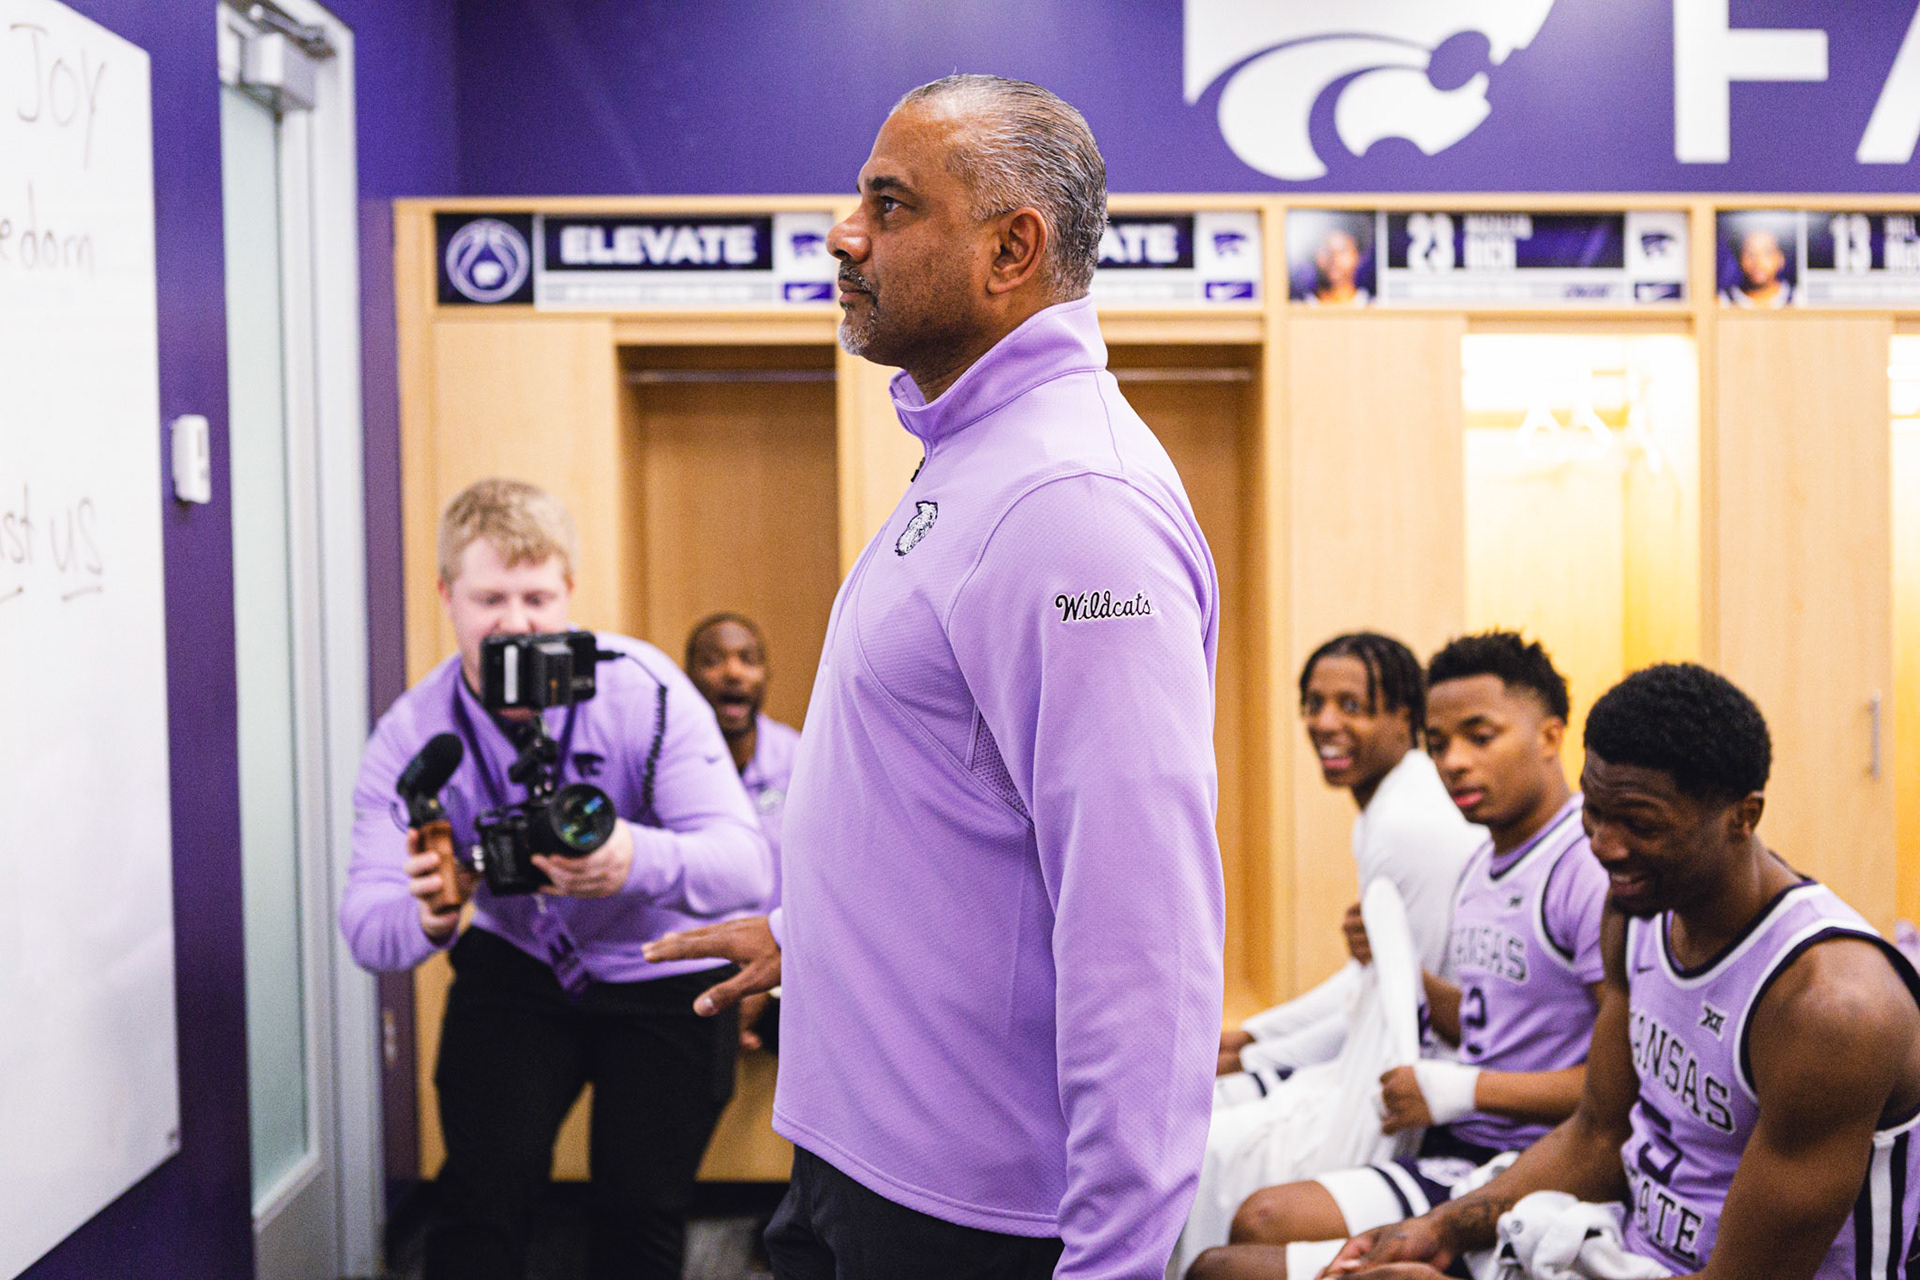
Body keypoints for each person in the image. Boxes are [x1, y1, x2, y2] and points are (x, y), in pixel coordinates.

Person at [644, 74, 1225, 1279]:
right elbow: (956, 793)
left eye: (890, 205)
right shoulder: (972, 453)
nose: (844, 234)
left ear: (1012, 248)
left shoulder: (1073, 504)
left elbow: (1144, 929)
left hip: (972, 1218)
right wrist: (827, 932)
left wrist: (1116, 1260)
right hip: (856, 1158)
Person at [1317, 663, 1920, 1280]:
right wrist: (1440, 1227)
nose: (1603, 846)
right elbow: (1597, 1135)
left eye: (1639, 823)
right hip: (1623, 1248)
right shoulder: (1634, 910)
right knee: (1235, 1267)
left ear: (1745, 815)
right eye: (1595, 812)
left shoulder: (1831, 1009)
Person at [340, 479, 772, 1280]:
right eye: (489, 598)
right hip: (519, 963)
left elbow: (746, 865)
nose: (516, 623)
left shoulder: (641, 690)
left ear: (570, 592)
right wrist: (432, 914)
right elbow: (368, 929)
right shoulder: (414, 733)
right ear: (446, 596)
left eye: (538, 596)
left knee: (641, 1213)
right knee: (479, 1202)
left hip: (659, 962)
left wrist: (631, 860)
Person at [1191, 632, 1609, 1279]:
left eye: (1480, 736)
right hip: (1463, 1143)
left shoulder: (1585, 870)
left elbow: (1623, 1089)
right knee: (1229, 1246)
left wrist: (1459, 1088)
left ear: (1551, 737)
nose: (1455, 763)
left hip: (1533, 1161)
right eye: (1438, 744)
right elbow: (1484, 1017)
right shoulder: (1483, 863)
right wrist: (1397, 967)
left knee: (1250, 1234)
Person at [1220, 633, 1481, 1083]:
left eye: (1351, 706)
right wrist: (1252, 1035)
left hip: (1450, 1076)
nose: (1324, 722)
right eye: (1314, 704)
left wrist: (1251, 1062)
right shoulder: (1386, 807)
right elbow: (1366, 979)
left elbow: (1399, 1005)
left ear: (1405, 719)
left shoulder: (1409, 823)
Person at [685, 611, 799, 1051]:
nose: (732, 672)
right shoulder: (670, 770)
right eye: (713, 660)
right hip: (695, 967)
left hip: (786, 962)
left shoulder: (802, 759)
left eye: (747, 659)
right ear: (687, 675)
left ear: (765, 674)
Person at [1718, 226, 1794, 309]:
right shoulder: (1722, 302)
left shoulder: (1799, 298)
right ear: (1739, 258)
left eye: (1767, 253)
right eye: (1750, 253)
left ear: (1781, 259)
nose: (1758, 262)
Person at [1307, 227, 1369, 307]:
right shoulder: (1297, 307)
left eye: (1343, 251)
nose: (1335, 259)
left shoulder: (1375, 307)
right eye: (1326, 250)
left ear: (1357, 256)